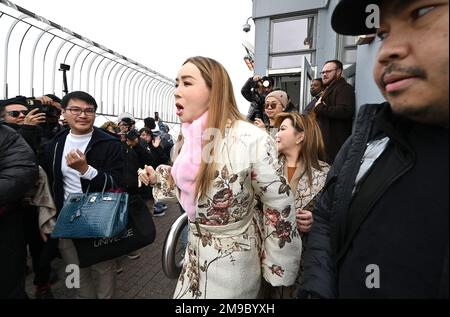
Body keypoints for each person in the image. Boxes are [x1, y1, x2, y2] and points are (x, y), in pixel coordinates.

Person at [300, 0, 448, 299]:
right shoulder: (367, 139)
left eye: (420, 13)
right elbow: (327, 222)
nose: (387, 51)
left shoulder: (341, 93)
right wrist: (318, 291)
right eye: (382, 35)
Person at [139, 56, 301, 299]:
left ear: (214, 89)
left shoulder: (251, 138)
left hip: (233, 267)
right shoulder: (188, 137)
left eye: (187, 83)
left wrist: (278, 270)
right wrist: (159, 178)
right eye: (176, 83)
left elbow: (278, 204)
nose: (176, 92)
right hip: (193, 260)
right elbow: (194, 191)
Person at [43, 91, 124, 298]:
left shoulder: (110, 143)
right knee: (74, 268)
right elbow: (52, 183)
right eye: (75, 109)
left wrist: (85, 170)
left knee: (104, 267)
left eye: (89, 110)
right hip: (66, 217)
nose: (83, 115)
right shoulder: (56, 143)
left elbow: (118, 183)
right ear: (64, 112)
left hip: (98, 218)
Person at [271, 112, 329, 298]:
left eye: (282, 129)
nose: (276, 134)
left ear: (300, 136)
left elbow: (337, 217)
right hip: (269, 261)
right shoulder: (265, 169)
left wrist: (316, 221)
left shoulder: (326, 173)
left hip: (304, 264)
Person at [0, 122, 38, 298]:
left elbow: (22, 172)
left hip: (7, 221)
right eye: (15, 114)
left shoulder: (7, 135)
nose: (21, 116)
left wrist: (28, 130)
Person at [313, 59, 355, 164]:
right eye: (323, 72)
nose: (324, 74)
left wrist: (319, 107)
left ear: (338, 71)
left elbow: (345, 110)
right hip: (326, 148)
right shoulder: (329, 89)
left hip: (335, 149)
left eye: (328, 71)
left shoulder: (344, 88)